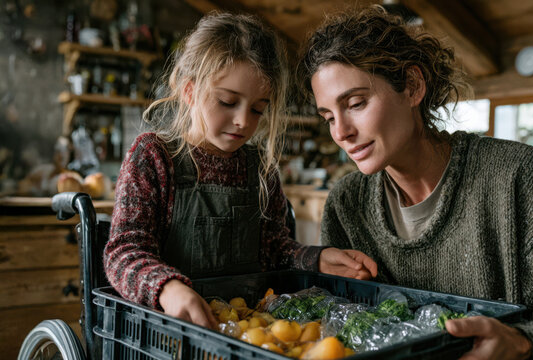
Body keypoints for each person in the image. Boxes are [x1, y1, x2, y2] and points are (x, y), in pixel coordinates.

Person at [297, 6, 533, 359]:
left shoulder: (516, 176)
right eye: (328, 117)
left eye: (355, 103)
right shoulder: (346, 204)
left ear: (412, 87)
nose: (341, 132)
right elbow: (335, 331)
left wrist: (524, 345)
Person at [104, 12, 376, 330]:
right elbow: (124, 251)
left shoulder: (260, 167)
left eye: (258, 108)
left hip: (247, 328)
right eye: (227, 101)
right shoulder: (153, 156)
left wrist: (316, 258)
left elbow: (274, 250)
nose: (244, 121)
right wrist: (167, 288)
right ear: (189, 91)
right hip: (166, 332)